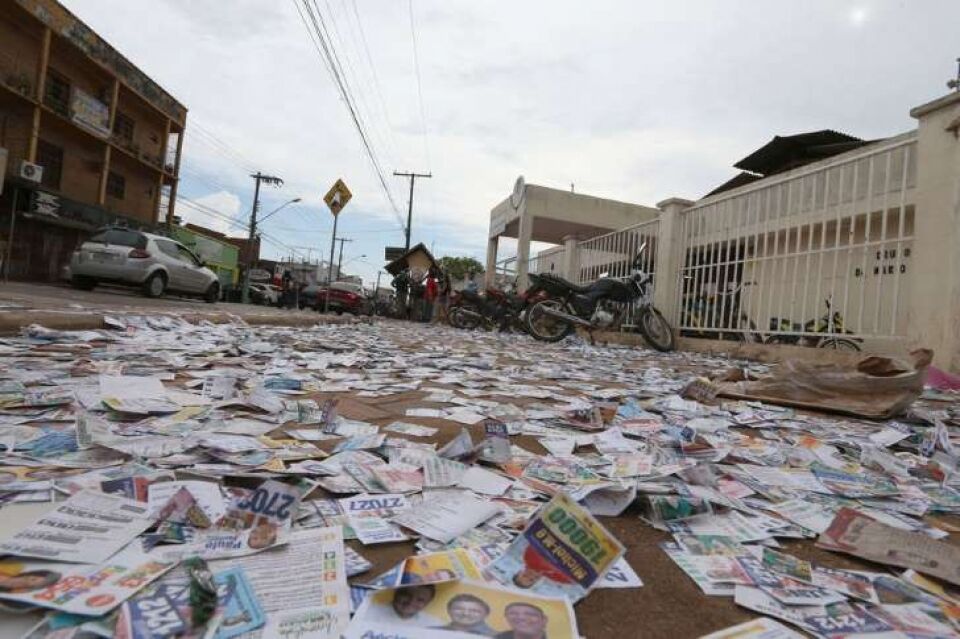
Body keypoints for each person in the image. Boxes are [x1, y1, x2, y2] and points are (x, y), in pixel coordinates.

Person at [362, 584, 440, 626]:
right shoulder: (368, 612)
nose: (411, 602)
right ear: (396, 593)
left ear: (427, 603)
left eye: (420, 600)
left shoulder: (434, 624)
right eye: (407, 595)